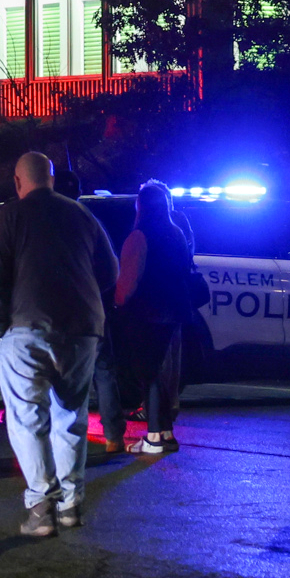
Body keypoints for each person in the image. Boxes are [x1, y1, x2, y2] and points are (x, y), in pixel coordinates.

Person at [0, 152, 117, 538]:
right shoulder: (82, 215)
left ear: (18, 181)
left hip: (26, 328)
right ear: (52, 179)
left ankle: (41, 507)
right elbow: (110, 272)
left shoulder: (11, 215)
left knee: (27, 417)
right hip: (82, 329)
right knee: (70, 417)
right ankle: (71, 504)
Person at [111, 180, 195, 455]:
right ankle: (167, 433)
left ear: (141, 206)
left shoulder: (139, 235)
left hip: (147, 313)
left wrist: (117, 304)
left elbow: (128, 281)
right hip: (175, 311)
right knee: (165, 372)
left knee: (150, 374)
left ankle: (154, 437)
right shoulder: (176, 233)